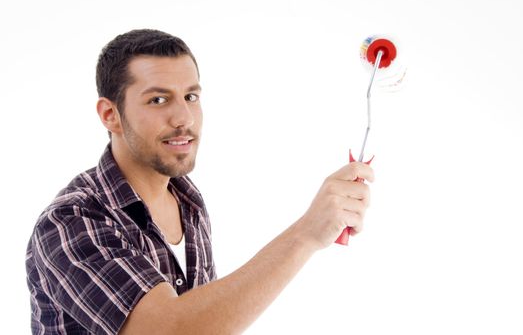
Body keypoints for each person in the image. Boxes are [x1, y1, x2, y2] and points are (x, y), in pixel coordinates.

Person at [25, 29, 374, 334]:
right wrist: (306, 235)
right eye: (158, 99)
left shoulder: (187, 202)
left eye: (191, 96)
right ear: (110, 115)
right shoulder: (71, 222)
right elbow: (169, 331)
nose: (184, 118)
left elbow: (209, 321)